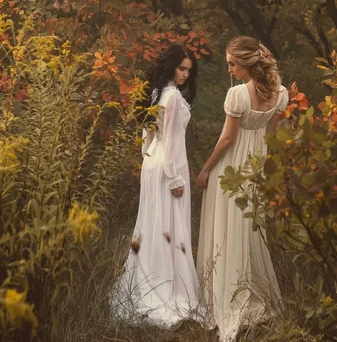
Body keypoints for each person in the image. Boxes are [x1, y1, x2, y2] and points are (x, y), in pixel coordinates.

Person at [196, 36, 288, 341]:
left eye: (232, 63)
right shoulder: (280, 94)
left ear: (247, 63)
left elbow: (227, 140)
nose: (229, 69)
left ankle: (225, 297)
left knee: (226, 228)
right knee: (246, 231)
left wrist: (206, 168)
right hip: (256, 166)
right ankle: (247, 292)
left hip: (232, 167)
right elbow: (273, 135)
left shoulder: (238, 95)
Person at [111, 44, 200, 327]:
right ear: (171, 66)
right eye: (181, 68)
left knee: (152, 225)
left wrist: (148, 157)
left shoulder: (156, 92)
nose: (185, 74)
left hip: (153, 162)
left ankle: (148, 283)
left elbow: (148, 131)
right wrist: (174, 177)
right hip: (168, 165)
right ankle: (165, 289)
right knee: (167, 228)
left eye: (189, 70)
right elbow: (172, 140)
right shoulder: (171, 96)